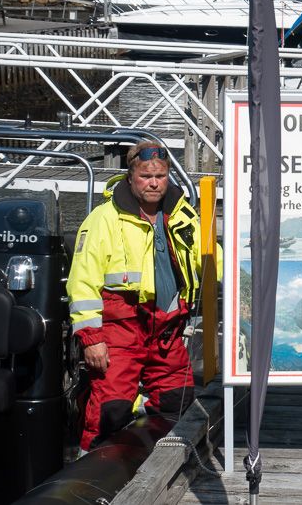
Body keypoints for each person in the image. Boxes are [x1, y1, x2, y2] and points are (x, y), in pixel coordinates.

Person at [67, 142, 217, 453]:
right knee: (110, 409)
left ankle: (158, 465)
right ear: (131, 177)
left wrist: (242, 281)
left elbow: (211, 258)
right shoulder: (103, 219)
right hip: (119, 329)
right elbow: (82, 283)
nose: (153, 182)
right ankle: (93, 476)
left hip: (166, 329)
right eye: (146, 175)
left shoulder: (182, 214)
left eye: (160, 176)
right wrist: (91, 338)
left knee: (178, 403)